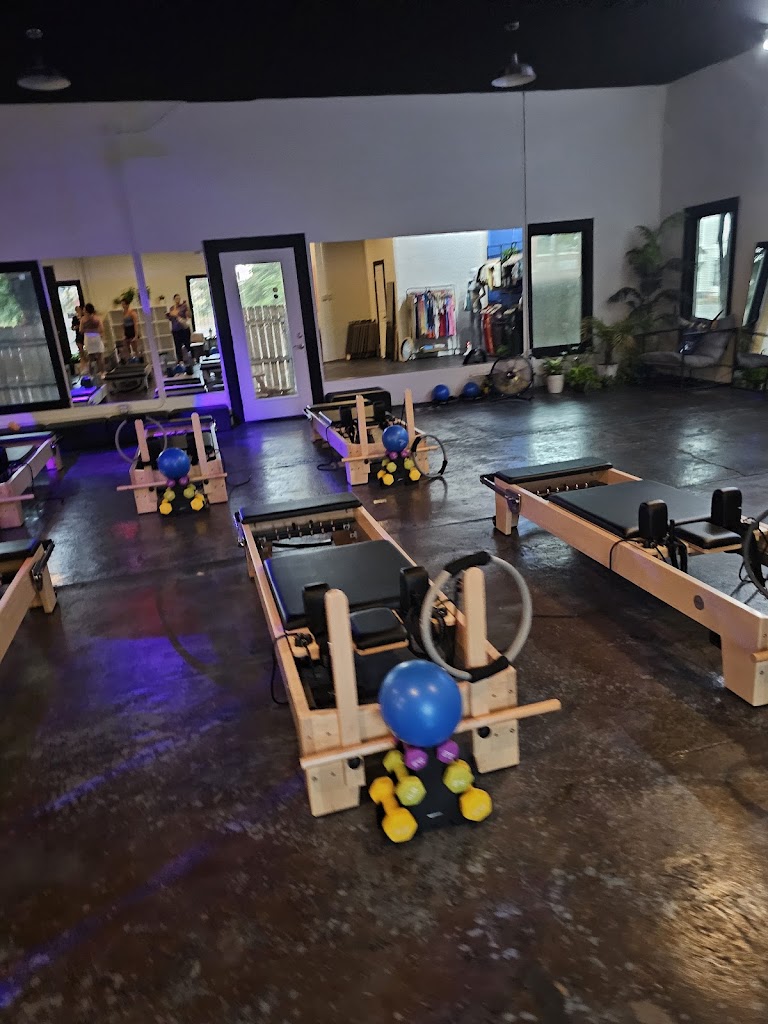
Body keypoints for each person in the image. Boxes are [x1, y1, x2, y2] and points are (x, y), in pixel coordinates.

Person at [80, 302, 105, 377]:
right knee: (100, 356)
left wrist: (87, 330)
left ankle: (91, 375)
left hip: (88, 338)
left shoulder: (83, 319)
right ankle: (102, 373)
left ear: (86, 311)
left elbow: (81, 330)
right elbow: (101, 329)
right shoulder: (97, 318)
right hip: (96, 337)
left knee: (90, 358)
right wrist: (97, 332)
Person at [167, 294, 192, 361]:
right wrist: (169, 315)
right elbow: (170, 319)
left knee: (187, 344)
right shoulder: (172, 308)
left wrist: (187, 307)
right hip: (175, 330)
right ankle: (180, 361)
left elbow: (189, 315)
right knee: (178, 346)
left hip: (183, 329)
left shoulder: (183, 306)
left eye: (179, 298)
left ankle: (192, 358)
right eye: (176, 299)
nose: (178, 300)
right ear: (174, 300)